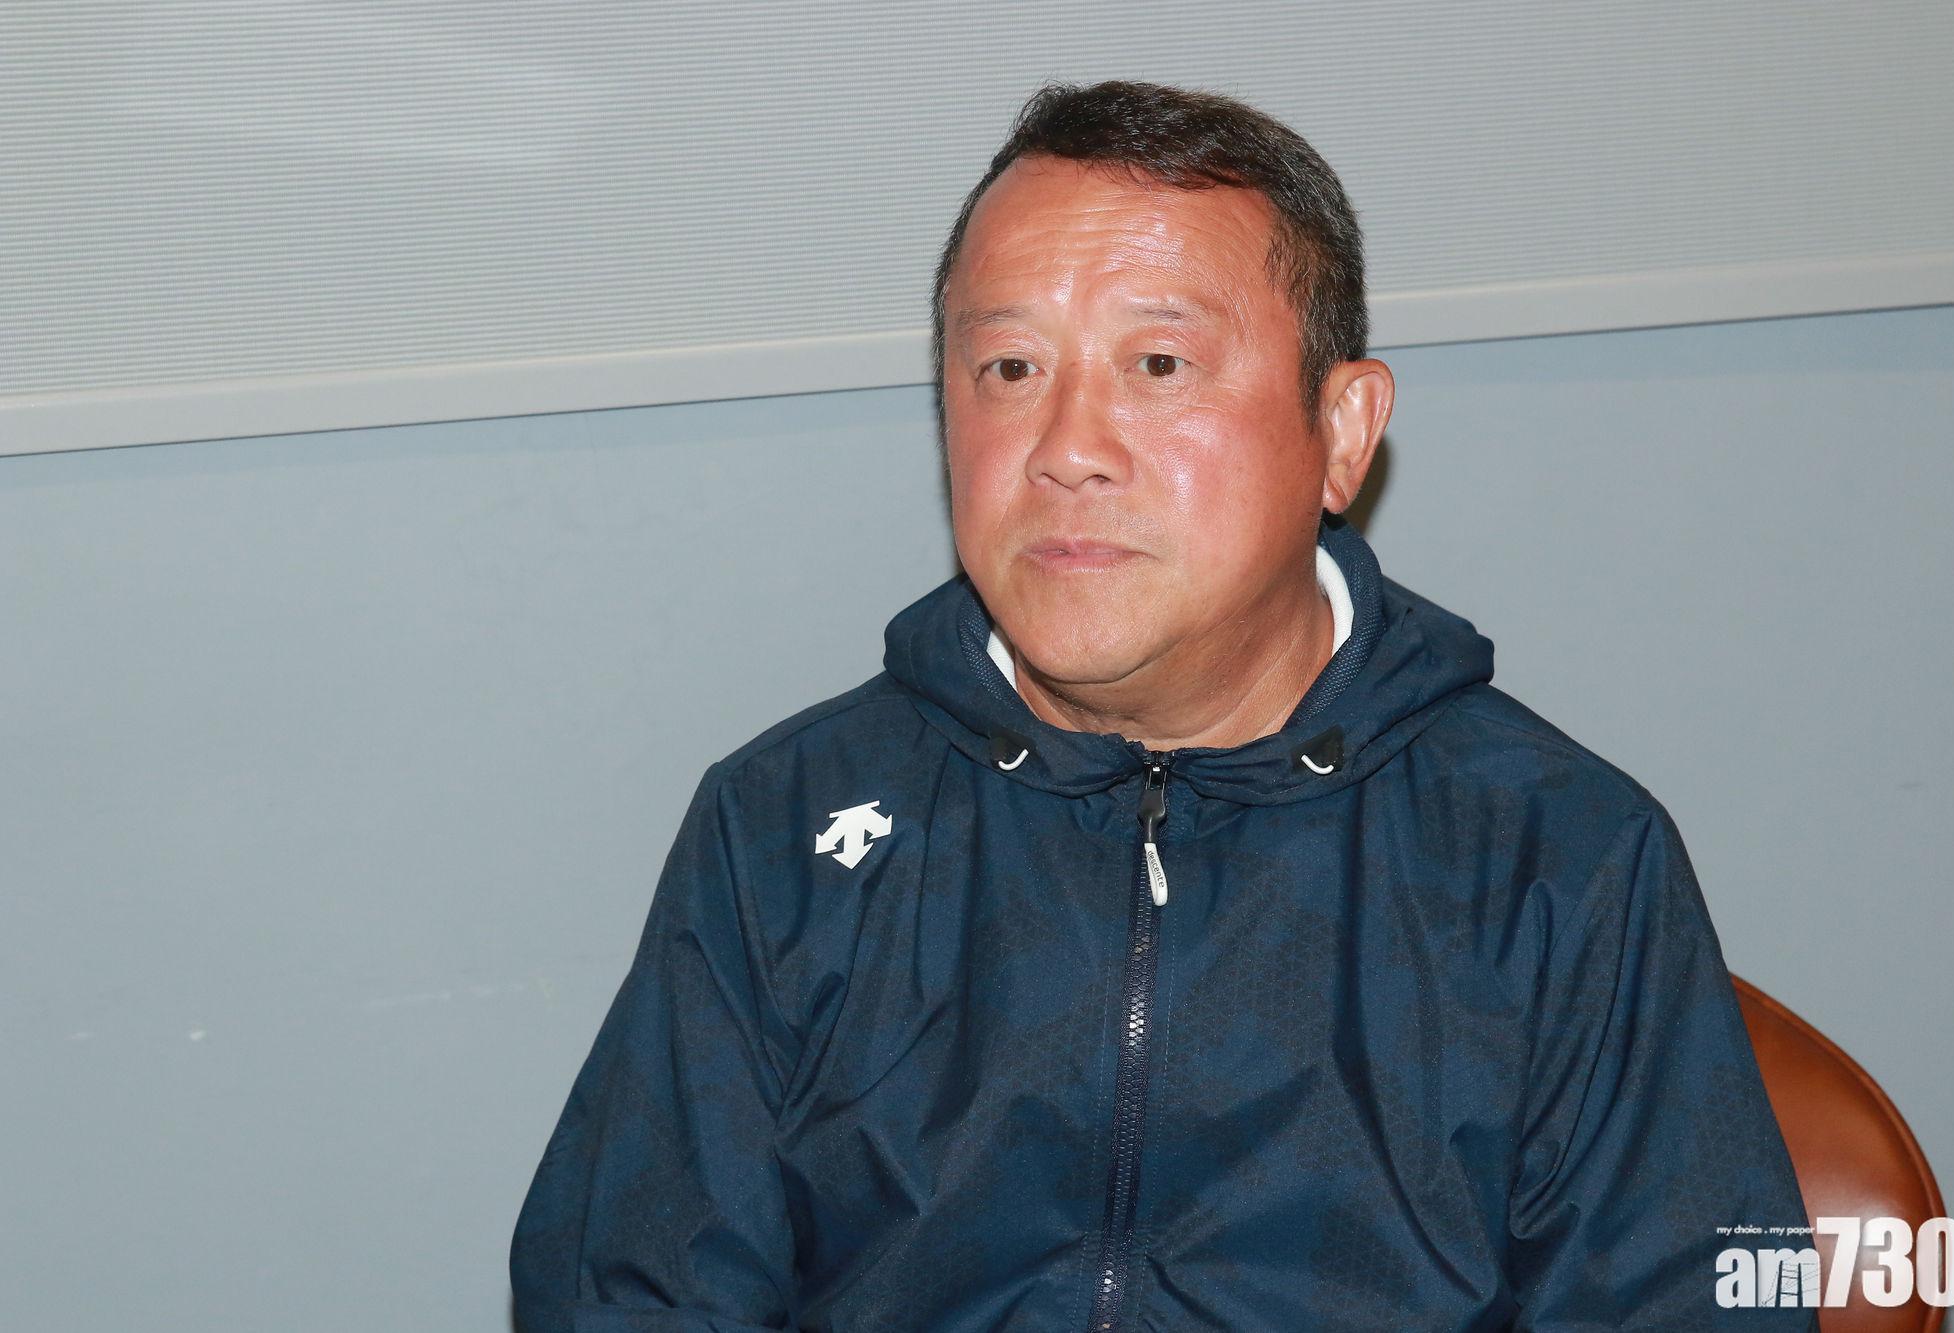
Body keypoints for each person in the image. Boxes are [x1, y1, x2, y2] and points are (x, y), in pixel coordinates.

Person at [511, 79, 1815, 1331]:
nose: (1067, 448)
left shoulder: (1559, 856)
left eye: (1157, 362)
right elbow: (629, 1293)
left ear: (1343, 432)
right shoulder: (787, 827)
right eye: (1009, 368)